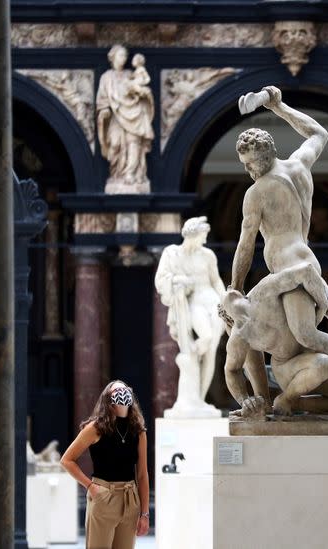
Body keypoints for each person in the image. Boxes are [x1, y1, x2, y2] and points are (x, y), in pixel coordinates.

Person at [231, 85, 328, 417]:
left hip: (290, 271)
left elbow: (246, 243)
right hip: (306, 264)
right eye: (245, 165)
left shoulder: (257, 191)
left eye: (251, 163)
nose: (249, 170)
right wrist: (278, 106)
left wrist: (236, 287)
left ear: (264, 156)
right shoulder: (298, 166)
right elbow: (318, 133)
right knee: (254, 328)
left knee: (306, 335)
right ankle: (270, 399)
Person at [221, 263, 328, 418]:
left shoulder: (265, 290)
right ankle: (287, 399)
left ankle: (293, 403)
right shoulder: (240, 336)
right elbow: (231, 370)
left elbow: (306, 271)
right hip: (286, 366)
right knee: (324, 363)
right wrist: (244, 400)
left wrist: (323, 303)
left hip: (311, 352)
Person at [61, 380, 150, 549]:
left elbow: (142, 475)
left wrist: (144, 513)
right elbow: (67, 460)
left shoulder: (138, 431)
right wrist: (90, 486)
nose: (122, 392)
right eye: (117, 390)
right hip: (104, 495)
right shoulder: (96, 427)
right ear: (108, 398)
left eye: (125, 389)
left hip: (130, 498)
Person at [154, 216, 225, 417]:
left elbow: (216, 280)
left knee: (211, 351)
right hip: (193, 302)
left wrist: (226, 299)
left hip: (212, 300)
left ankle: (199, 400)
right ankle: (190, 369)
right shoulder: (172, 253)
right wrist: (178, 280)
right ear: (193, 234)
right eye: (203, 236)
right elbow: (161, 279)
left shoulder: (208, 255)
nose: (205, 240)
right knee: (206, 337)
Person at [96, 44, 155, 192]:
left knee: (133, 142)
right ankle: (117, 174)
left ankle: (130, 174)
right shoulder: (106, 77)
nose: (124, 59)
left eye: (125, 56)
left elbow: (140, 88)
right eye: (121, 55)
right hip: (116, 115)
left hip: (133, 113)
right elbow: (102, 98)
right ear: (113, 57)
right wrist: (104, 110)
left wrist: (141, 93)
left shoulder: (130, 74)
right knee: (115, 143)